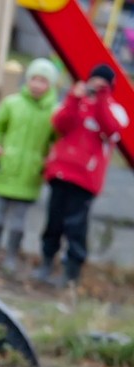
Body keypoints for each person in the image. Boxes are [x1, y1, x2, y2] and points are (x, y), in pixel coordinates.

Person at [38, 63, 130, 287]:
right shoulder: (76, 101)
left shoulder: (113, 109)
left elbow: (112, 130)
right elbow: (60, 124)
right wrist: (74, 98)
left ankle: (71, 273)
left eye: (103, 84)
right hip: (61, 172)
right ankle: (46, 263)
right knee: (54, 222)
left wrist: (101, 99)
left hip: (86, 180)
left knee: (76, 226)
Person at [0, 58, 59, 275]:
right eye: (34, 79)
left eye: (43, 81)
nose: (37, 85)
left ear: (50, 85)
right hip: (8, 168)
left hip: (30, 174)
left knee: (18, 221)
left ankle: (11, 254)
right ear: (27, 80)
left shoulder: (53, 113)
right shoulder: (12, 103)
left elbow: (58, 138)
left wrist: (49, 160)